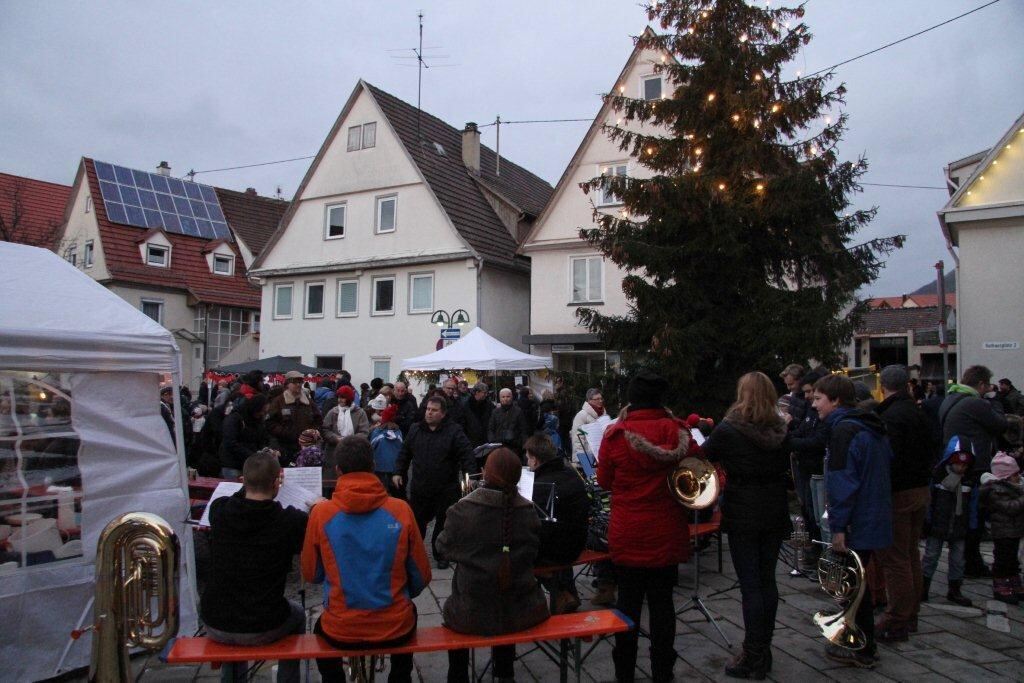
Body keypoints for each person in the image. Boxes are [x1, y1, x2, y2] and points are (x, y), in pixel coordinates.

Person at [302, 436, 431, 683]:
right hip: (394, 623)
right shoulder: (400, 509)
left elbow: (312, 574)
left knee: (320, 637)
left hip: (341, 626)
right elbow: (422, 574)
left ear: (338, 470)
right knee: (408, 624)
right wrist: (399, 594)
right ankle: (400, 677)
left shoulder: (321, 514)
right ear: (372, 466)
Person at [597, 370, 692, 683]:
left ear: (631, 400)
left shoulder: (615, 435)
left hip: (629, 532)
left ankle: (624, 671)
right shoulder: (678, 432)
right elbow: (699, 471)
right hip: (666, 531)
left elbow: (604, 481)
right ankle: (662, 672)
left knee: (628, 604)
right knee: (663, 604)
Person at [703, 372, 790, 679]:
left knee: (751, 584)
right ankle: (762, 649)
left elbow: (702, 458)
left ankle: (753, 654)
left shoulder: (730, 429)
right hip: (775, 506)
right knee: (767, 580)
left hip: (743, 508)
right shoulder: (781, 428)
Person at [437, 447, 550, 683]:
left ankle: (458, 676)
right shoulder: (528, 512)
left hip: (471, 611)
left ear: (485, 474)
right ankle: (504, 672)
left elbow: (442, 547)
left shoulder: (464, 510)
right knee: (504, 592)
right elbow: (534, 553)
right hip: (521, 608)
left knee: (463, 609)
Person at [202, 449, 311, 683]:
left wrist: (253, 477)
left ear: (243, 481)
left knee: (233, 614)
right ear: (276, 484)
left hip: (215, 620)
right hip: (264, 623)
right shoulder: (289, 521)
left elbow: (239, 496)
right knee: (299, 615)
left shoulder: (220, 511)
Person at [812, 373, 893, 669]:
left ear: (836, 400)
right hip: (872, 514)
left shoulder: (844, 431)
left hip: (857, 520)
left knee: (852, 587)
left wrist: (839, 527)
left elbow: (843, 482)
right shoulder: (868, 426)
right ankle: (860, 644)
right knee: (856, 585)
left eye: (819, 399)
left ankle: (862, 648)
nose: (815, 406)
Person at [872, 365, 936, 642]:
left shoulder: (892, 416)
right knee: (910, 554)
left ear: (883, 386)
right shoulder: (917, 411)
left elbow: (890, 458)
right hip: (920, 488)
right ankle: (910, 614)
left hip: (899, 492)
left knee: (896, 557)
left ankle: (897, 617)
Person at [940, 365, 1009, 576]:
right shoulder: (975, 403)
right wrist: (995, 402)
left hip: (955, 464)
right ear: (981, 384)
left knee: (961, 515)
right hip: (974, 467)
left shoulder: (950, 399)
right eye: (987, 385)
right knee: (973, 518)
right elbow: (1000, 424)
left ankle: (962, 561)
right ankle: (971, 562)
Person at [393, 396, 476, 569]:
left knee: (443, 523)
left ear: (443, 413)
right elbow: (404, 453)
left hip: (445, 487)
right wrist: (398, 472)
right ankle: (413, 553)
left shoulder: (454, 431)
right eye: (428, 409)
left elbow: (466, 454)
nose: (429, 413)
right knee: (417, 523)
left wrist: (470, 478)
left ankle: (441, 554)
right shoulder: (415, 429)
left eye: (434, 410)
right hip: (420, 487)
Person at [525, 433, 589, 614]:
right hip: (577, 540)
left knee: (517, 551)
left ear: (536, 460)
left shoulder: (541, 485)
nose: (528, 463)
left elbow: (535, 526)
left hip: (558, 549)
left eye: (529, 459)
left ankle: (557, 593)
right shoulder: (569, 472)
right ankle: (568, 593)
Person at [921, 436, 975, 607]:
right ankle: (923, 587)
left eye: (965, 465)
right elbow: (929, 501)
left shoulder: (969, 480)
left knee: (958, 559)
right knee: (931, 556)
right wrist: (927, 520)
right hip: (938, 523)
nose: (962, 467)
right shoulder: (938, 477)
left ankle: (955, 589)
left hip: (959, 524)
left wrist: (973, 525)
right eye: (959, 463)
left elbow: (973, 505)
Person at [785, 370, 827, 557]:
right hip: (806, 469)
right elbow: (802, 432)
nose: (808, 396)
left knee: (820, 519)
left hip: (818, 472)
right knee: (809, 514)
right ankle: (815, 552)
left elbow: (817, 441)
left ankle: (821, 553)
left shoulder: (821, 414)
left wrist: (788, 442)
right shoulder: (811, 410)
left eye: (812, 393)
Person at [980, 453, 1024, 604]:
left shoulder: (1014, 488)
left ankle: (1013, 581)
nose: (1019, 477)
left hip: (1014, 530)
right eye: (1015, 475)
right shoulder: (997, 491)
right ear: (1006, 476)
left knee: (1012, 559)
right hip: (1002, 531)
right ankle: (1000, 586)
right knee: (1002, 559)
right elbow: (1010, 508)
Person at [266, 370, 322, 464]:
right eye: (295, 382)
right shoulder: (278, 402)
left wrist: (311, 433)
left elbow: (318, 420)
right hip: (284, 448)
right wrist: (285, 432)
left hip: (306, 448)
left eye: (300, 382)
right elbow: (270, 423)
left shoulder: (308, 402)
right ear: (287, 384)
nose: (298, 385)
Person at [219, 394, 269, 479]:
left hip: (249, 464)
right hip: (233, 464)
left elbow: (263, 438)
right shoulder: (235, 418)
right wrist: (252, 455)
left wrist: (266, 448)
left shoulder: (257, 421)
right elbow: (230, 442)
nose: (263, 414)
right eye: (262, 411)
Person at [370, 405, 404, 497]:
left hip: (379, 466)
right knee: (393, 490)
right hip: (393, 467)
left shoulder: (377, 432)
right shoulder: (399, 432)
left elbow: (371, 446)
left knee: (379, 489)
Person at [487, 388, 530, 455]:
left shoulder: (518, 411)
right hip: (498, 447)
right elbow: (491, 428)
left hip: (515, 448)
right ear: (500, 398)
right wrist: (492, 442)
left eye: (508, 396)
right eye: (503, 397)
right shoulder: (495, 412)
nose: (505, 399)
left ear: (512, 397)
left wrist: (523, 445)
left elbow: (523, 430)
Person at [461, 382, 494, 447]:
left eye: (487, 393)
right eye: (484, 393)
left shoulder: (489, 405)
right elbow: (463, 424)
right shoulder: (466, 406)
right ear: (477, 392)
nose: (486, 395)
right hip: (471, 441)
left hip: (486, 440)